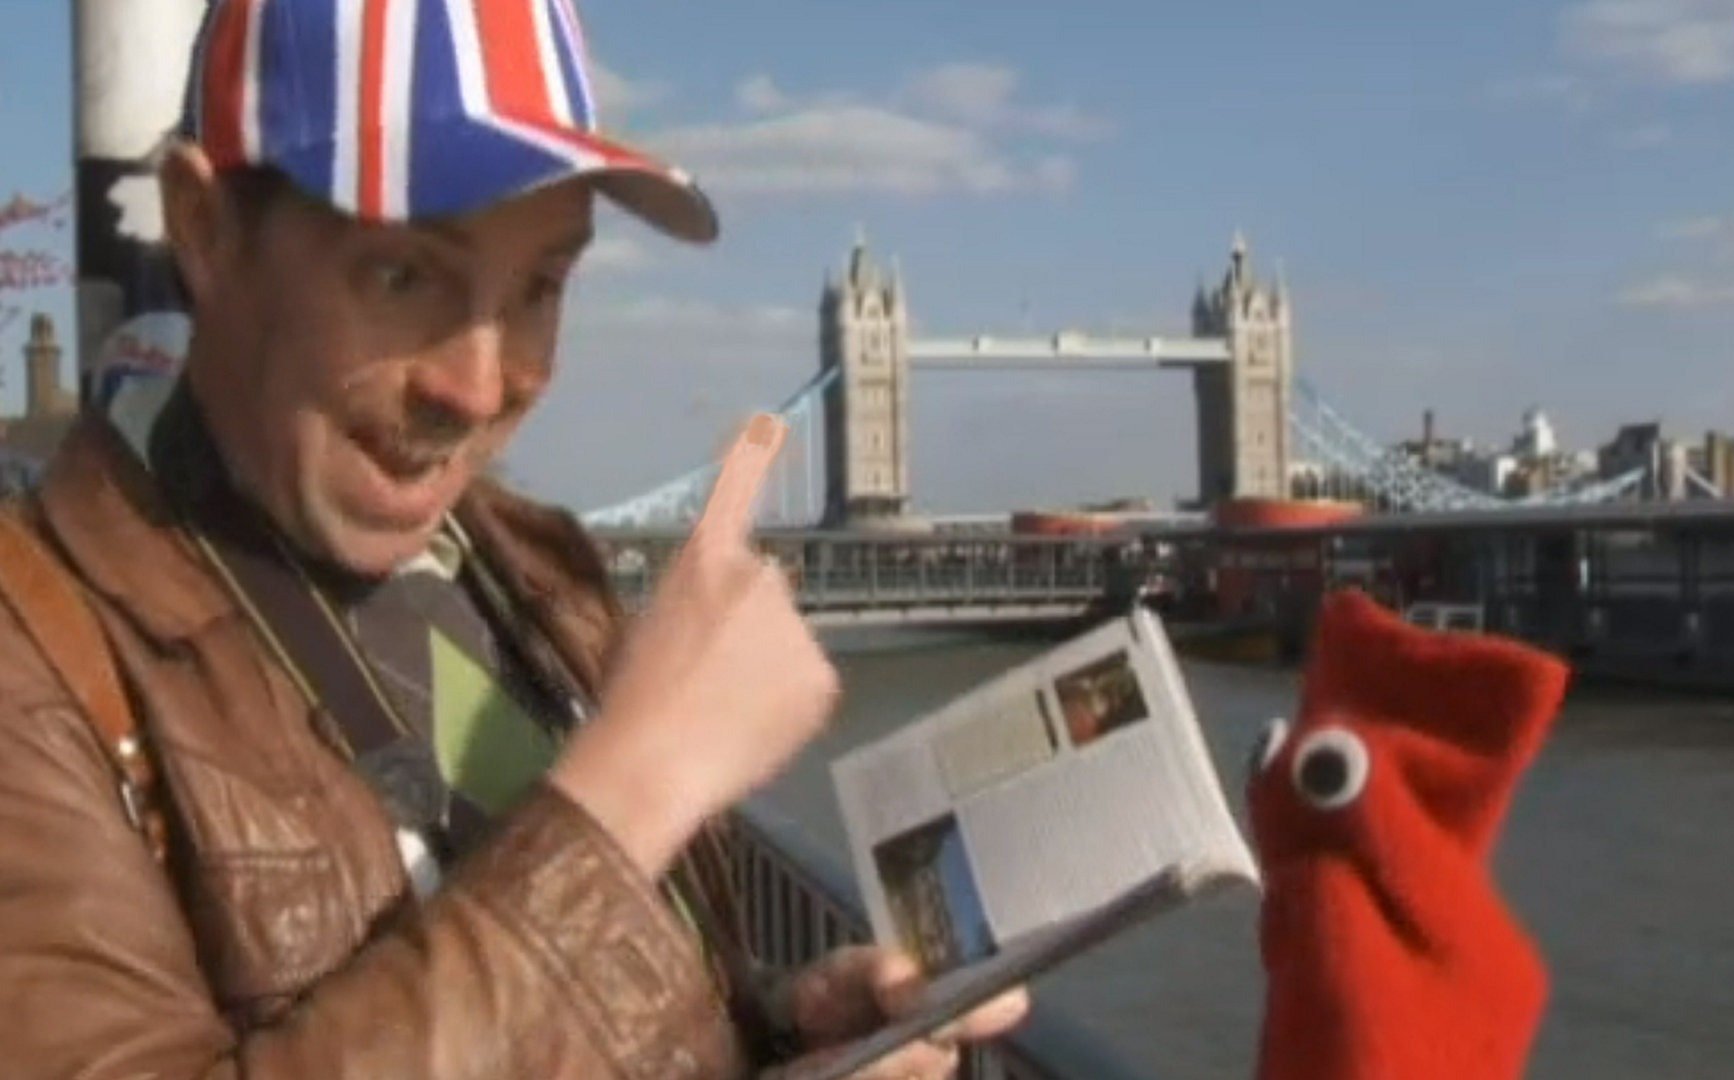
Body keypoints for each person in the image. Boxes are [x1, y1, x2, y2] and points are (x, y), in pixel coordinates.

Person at [0, 1, 1026, 1077]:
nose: (480, 386)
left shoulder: (533, 572)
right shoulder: (34, 663)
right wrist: (635, 785)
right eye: (402, 275)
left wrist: (776, 1030)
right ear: (205, 230)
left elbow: (593, 1004)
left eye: (541, 287)